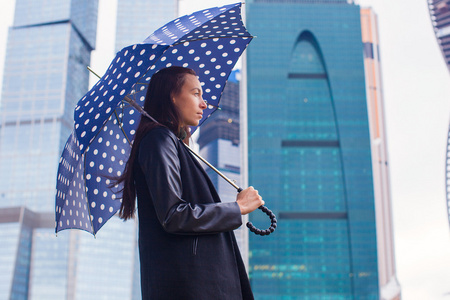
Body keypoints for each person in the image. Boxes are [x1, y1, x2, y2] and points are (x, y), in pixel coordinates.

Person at [116, 66, 264, 300]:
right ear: (172, 97)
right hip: (190, 287)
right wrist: (237, 207)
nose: (203, 104)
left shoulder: (171, 143)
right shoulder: (159, 139)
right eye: (196, 94)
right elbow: (173, 214)